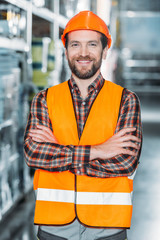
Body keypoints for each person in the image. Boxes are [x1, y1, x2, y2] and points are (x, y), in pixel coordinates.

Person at [24, 11, 142, 240]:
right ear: (66, 50)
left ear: (105, 50)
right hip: (55, 225)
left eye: (92, 44)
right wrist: (100, 150)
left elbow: (125, 163)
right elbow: (34, 154)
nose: (84, 53)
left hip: (107, 225)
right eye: (75, 44)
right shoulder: (44, 99)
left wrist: (59, 154)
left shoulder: (126, 100)